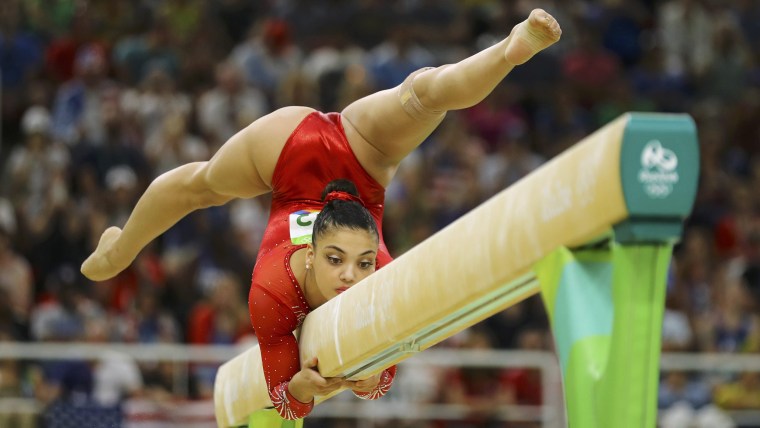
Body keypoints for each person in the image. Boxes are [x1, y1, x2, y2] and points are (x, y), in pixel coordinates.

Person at [82, 8, 562, 420]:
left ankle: (508, 50)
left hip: (326, 152)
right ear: (309, 256)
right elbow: (351, 387)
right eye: (338, 262)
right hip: (332, 160)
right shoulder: (276, 292)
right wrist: (354, 381)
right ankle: (120, 248)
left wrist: (321, 388)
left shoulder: (300, 288)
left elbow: (292, 399)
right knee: (200, 186)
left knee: (424, 92)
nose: (353, 277)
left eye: (361, 263)